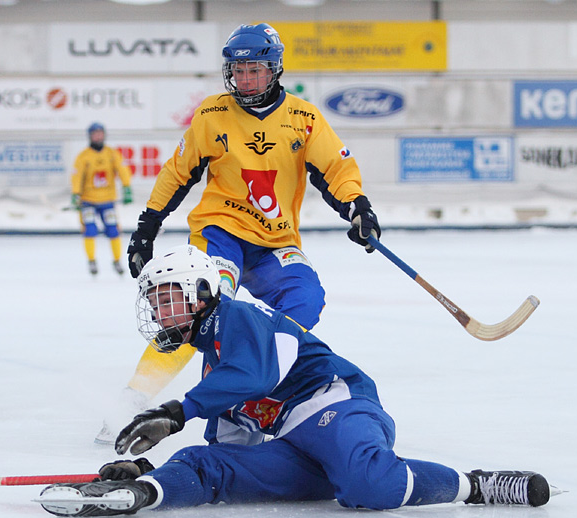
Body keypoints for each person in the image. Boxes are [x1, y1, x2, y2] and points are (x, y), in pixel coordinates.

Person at [39, 246, 556, 517]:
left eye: (169, 297)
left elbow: (258, 374)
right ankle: (143, 494)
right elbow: (228, 451)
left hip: (337, 406)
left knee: (366, 486)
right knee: (206, 464)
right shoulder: (211, 368)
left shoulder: (238, 318)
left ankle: (477, 486)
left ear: (201, 293)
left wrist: (176, 412)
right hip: (294, 444)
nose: (160, 310)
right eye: (156, 302)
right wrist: (149, 469)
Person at [96, 23, 381, 442]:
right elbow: (178, 173)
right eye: (239, 70)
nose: (246, 80)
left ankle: (250, 387)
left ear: (275, 69)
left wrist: (357, 207)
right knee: (195, 306)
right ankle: (135, 400)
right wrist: (146, 227)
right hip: (220, 231)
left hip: (275, 242)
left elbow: (336, 170)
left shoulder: (304, 118)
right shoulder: (212, 114)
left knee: (306, 298)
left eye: (256, 70)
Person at [71, 122, 133, 276]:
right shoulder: (84, 156)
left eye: (100, 134)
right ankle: (92, 260)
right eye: (95, 134)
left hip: (107, 200)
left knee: (113, 231)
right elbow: (77, 175)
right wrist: (76, 193)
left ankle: (117, 260)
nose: (98, 137)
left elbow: (123, 169)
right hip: (88, 200)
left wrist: (127, 187)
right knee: (89, 230)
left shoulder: (111, 154)